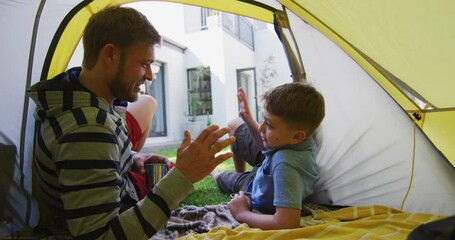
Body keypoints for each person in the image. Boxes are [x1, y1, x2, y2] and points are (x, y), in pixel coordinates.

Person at [28, 5, 235, 239]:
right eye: (144, 64)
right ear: (110, 54)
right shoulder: (88, 128)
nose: (150, 75)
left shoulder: (82, 95)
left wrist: (133, 158)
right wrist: (182, 176)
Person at [211, 82, 325, 230]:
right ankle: (237, 174)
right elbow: (266, 147)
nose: (261, 127)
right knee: (234, 124)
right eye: (263, 120)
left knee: (224, 178)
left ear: (297, 136)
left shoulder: (286, 166)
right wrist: (248, 118)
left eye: (269, 124)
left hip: (254, 187)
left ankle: (212, 172)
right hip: (266, 170)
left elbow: (287, 223)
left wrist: (242, 213)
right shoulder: (297, 142)